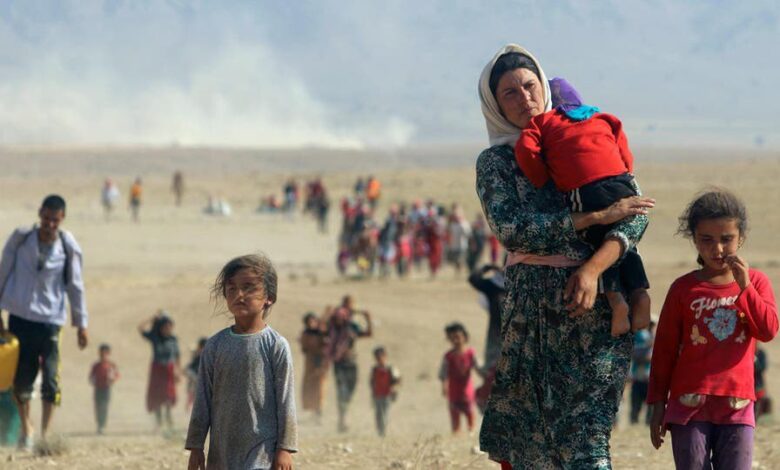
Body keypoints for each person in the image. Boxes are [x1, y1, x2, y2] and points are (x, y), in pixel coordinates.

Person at [476, 45, 654, 469]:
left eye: (529, 86)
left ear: (543, 85)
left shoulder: (581, 134)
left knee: (587, 439)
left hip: (597, 311)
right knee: (533, 443)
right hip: (531, 318)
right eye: (509, 93)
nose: (524, 99)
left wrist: (592, 269)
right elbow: (512, 229)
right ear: (494, 104)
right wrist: (593, 217)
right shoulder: (496, 163)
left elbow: (634, 214)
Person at [648, 189, 778, 470]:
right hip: (688, 405)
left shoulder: (756, 282)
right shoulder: (683, 288)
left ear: (741, 238)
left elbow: (768, 330)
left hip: (737, 404)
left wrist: (745, 286)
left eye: (726, 239)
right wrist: (657, 404)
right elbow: (664, 351)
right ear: (694, 239)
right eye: (706, 240)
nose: (717, 249)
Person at [515, 77, 651, 336]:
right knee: (623, 239)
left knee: (595, 240)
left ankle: (617, 302)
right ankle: (640, 293)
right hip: (621, 182)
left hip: (585, 188)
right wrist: (625, 175)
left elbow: (526, 149)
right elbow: (623, 147)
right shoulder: (602, 117)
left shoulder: (543, 121)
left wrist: (543, 178)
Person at [186, 254, 297, 470]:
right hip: (222, 451)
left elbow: (286, 400)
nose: (239, 295)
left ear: (269, 297)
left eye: (248, 287)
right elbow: (203, 399)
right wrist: (196, 445)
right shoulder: (215, 345)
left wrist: (285, 449)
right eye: (232, 288)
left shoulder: (275, 345)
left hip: (262, 450)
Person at [0, 194, 89, 450]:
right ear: (40, 213)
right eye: (47, 218)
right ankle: (26, 428)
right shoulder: (21, 239)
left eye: (55, 220)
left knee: (51, 379)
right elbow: (3, 272)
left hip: (50, 321)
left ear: (62, 219)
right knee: (21, 379)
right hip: (20, 317)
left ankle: (45, 435)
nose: (50, 224)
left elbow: (76, 285)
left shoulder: (67, 246)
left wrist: (81, 324)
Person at [325, 295, 372, 432]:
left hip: (351, 362)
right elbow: (322, 328)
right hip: (339, 363)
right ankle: (342, 420)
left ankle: (344, 415)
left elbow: (368, 333)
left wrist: (368, 319)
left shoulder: (351, 327)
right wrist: (327, 313)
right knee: (342, 391)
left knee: (350, 390)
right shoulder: (333, 325)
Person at [139, 311, 181, 432]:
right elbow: (140, 328)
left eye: (170, 326)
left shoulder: (173, 340)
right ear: (161, 327)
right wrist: (152, 319)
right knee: (157, 396)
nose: (168, 328)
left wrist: (178, 371)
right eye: (166, 326)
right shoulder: (155, 337)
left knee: (168, 396)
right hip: (157, 370)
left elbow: (177, 356)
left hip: (169, 370)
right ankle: (159, 422)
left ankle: (169, 421)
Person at [439, 322, 481, 434]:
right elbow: (443, 373)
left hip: (467, 392)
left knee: (470, 414)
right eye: (452, 338)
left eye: (458, 337)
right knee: (455, 418)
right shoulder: (448, 356)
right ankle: (456, 434)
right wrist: (444, 386)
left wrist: (487, 378)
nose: (456, 340)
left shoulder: (470, 354)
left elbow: (479, 368)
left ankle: (471, 433)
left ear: (465, 337)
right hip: (454, 392)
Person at [299, 312, 328, 421]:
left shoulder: (322, 333)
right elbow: (304, 349)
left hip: (320, 363)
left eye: (313, 321)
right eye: (309, 322)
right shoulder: (306, 334)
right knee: (310, 387)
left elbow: (326, 346)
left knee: (320, 387)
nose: (311, 324)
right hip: (310, 363)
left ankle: (318, 413)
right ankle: (313, 412)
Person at [370, 346, 401, 437]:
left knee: (385, 413)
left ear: (385, 356)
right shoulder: (375, 370)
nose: (379, 359)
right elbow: (372, 382)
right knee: (378, 414)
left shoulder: (390, 368)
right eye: (377, 357)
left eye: (381, 357)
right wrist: (373, 395)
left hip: (387, 395)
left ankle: (383, 431)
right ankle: (380, 431)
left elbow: (398, 380)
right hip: (377, 395)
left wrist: (394, 389)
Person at [89, 343, 119, 435]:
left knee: (104, 407)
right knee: (98, 407)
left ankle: (102, 425)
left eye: (105, 353)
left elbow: (116, 375)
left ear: (109, 353)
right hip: (98, 389)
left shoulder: (111, 365)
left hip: (106, 389)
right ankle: (99, 424)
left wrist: (112, 379)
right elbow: (91, 377)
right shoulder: (96, 365)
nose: (103, 355)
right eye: (101, 353)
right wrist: (93, 381)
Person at [629, 320, 655, 425]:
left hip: (649, 379)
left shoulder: (652, 337)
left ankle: (647, 423)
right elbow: (636, 354)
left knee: (650, 406)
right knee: (636, 405)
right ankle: (634, 423)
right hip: (639, 377)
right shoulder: (640, 337)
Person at [185, 337, 207, 412]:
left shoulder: (207, 357)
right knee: (191, 394)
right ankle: (188, 409)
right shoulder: (196, 356)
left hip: (202, 380)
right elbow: (190, 367)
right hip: (194, 379)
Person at [754, 347, 771, 420]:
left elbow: (762, 367)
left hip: (758, 387)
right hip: (745, 388)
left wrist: (755, 361)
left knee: (757, 410)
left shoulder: (760, 353)